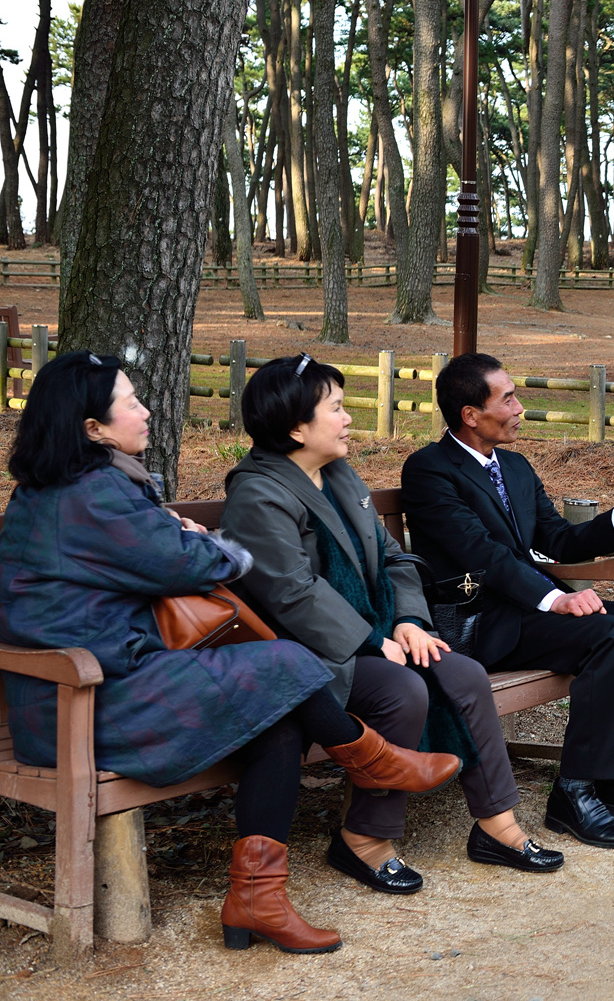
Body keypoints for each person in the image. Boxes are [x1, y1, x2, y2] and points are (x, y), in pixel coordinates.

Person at [0, 352, 458, 955]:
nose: (146, 410)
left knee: (280, 720)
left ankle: (257, 900)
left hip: (106, 684)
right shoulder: (93, 493)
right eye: (131, 402)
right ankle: (370, 758)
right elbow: (189, 563)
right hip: (83, 702)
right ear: (93, 429)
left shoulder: (70, 487)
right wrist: (202, 541)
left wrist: (177, 535)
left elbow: (150, 555)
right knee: (289, 662)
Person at [222, 355, 564, 893]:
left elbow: (396, 558)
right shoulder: (258, 493)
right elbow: (292, 593)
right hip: (307, 653)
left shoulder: (338, 474)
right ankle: (364, 839)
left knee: (464, 674)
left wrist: (407, 620)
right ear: (296, 428)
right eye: (336, 409)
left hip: (377, 630)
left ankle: (497, 826)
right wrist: (370, 639)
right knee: (402, 690)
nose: (348, 419)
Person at [400, 353, 614, 850]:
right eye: (508, 398)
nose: (520, 408)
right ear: (470, 415)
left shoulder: (514, 466)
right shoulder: (430, 470)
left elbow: (556, 539)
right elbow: (481, 553)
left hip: (525, 612)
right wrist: (554, 599)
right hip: (477, 623)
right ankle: (574, 792)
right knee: (611, 633)